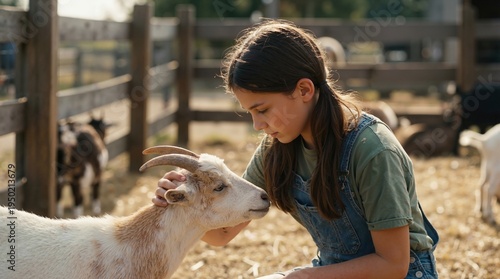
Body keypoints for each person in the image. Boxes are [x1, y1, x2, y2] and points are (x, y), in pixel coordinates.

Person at [152, 19, 439, 279]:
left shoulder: (373, 150)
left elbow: (393, 264)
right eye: (249, 112)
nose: (257, 125)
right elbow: (222, 234)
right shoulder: (276, 149)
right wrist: (188, 205)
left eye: (262, 109)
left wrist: (301, 278)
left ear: (304, 90)